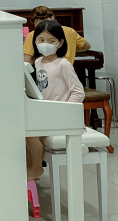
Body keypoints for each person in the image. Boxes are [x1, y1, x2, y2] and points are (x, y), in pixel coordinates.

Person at [25, 19, 85, 180]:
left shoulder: (63, 64)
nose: (45, 44)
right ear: (35, 41)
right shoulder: (38, 62)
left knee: (31, 134)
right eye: (41, 40)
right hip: (45, 112)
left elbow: (78, 92)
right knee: (20, 129)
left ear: (60, 43)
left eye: (51, 41)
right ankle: (29, 165)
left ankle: (37, 168)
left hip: (59, 115)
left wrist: (64, 111)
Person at [23, 6, 90, 65]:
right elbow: (86, 46)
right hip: (67, 68)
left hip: (44, 71)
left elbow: (27, 62)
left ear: (35, 22)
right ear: (52, 17)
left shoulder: (33, 35)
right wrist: (69, 49)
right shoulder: (70, 31)